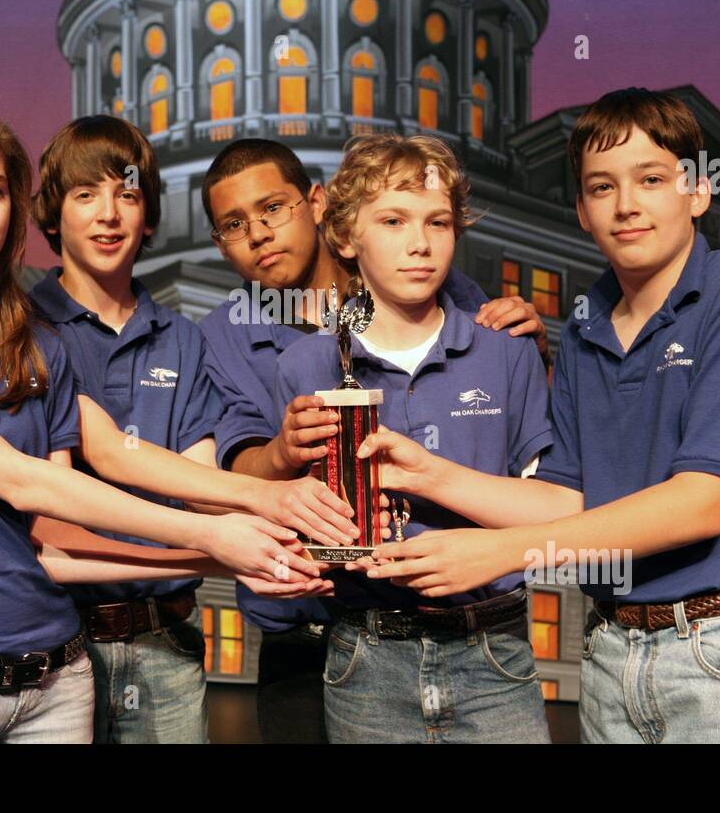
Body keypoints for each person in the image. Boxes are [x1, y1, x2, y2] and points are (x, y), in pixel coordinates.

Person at [0, 103, 324, 743]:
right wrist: (229, 534)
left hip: (60, 676)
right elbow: (34, 483)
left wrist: (260, 528)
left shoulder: (32, 346)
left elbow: (79, 499)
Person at [361, 88, 720, 744]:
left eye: (651, 179)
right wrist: (427, 475)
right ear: (582, 210)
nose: (627, 204)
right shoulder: (585, 326)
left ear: (698, 192)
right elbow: (567, 498)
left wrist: (502, 552)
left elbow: (701, 502)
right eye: (601, 186)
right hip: (615, 652)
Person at [198, 138, 550, 742]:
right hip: (317, 631)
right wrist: (284, 454)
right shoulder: (230, 335)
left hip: (475, 630)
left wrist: (527, 346)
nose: (258, 233)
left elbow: (522, 455)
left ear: (316, 205)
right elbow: (233, 480)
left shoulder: (446, 291)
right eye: (235, 224)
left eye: (273, 209)